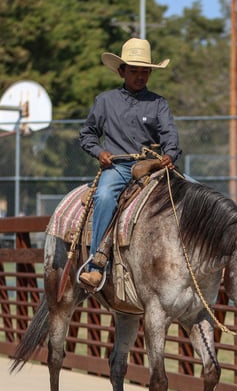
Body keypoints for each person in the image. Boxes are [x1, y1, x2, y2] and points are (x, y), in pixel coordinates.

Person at [78, 37, 181, 289]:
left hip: (154, 166)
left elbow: (170, 135)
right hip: (119, 167)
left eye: (144, 71)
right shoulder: (105, 101)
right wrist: (99, 152)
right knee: (103, 196)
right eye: (134, 71)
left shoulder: (159, 103)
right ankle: (96, 263)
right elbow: (87, 134)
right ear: (122, 71)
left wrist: (170, 155)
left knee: (195, 193)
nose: (140, 76)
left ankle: (202, 261)